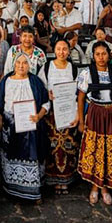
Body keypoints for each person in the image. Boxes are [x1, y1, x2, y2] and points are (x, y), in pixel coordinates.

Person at [76, 42, 112, 205]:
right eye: (97, 54)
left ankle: (105, 188)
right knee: (95, 150)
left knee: (108, 150)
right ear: (93, 56)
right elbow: (81, 98)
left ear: (109, 55)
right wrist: (81, 121)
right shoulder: (87, 73)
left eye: (103, 54)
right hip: (94, 113)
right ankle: (94, 187)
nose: (100, 57)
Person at [0, 54, 49, 202]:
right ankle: (12, 190)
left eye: (25, 63)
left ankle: (33, 192)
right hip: (10, 127)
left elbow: (45, 102)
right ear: (13, 64)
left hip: (31, 128)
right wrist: (1, 119)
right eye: (18, 62)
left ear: (29, 65)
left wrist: (39, 116)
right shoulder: (6, 81)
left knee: (32, 156)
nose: (21, 66)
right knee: (11, 156)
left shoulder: (35, 81)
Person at [39, 40, 80, 194]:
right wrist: (47, 94)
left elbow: (78, 92)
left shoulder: (73, 68)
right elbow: (41, 87)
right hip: (52, 113)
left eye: (64, 49)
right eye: (58, 49)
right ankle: (53, 179)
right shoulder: (47, 67)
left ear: (69, 51)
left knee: (68, 145)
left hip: (68, 111)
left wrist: (77, 112)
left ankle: (67, 179)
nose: (61, 52)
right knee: (53, 145)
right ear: (54, 50)